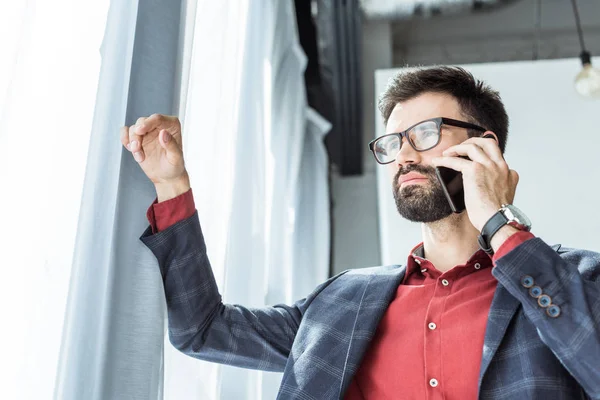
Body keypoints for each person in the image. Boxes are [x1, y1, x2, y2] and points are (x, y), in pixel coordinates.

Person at [121, 66, 600, 399]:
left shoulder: (575, 278)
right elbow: (204, 332)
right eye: (393, 143)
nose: (405, 156)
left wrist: (499, 221)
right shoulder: (342, 300)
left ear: (483, 147)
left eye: (426, 134)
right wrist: (172, 185)